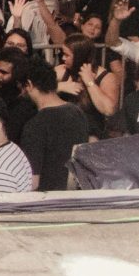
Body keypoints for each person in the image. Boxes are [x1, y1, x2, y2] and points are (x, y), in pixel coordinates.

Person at [18, 61, 91, 191]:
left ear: (29, 84)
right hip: (76, 195)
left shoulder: (35, 125)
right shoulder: (78, 112)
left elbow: (32, 181)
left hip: (49, 200)